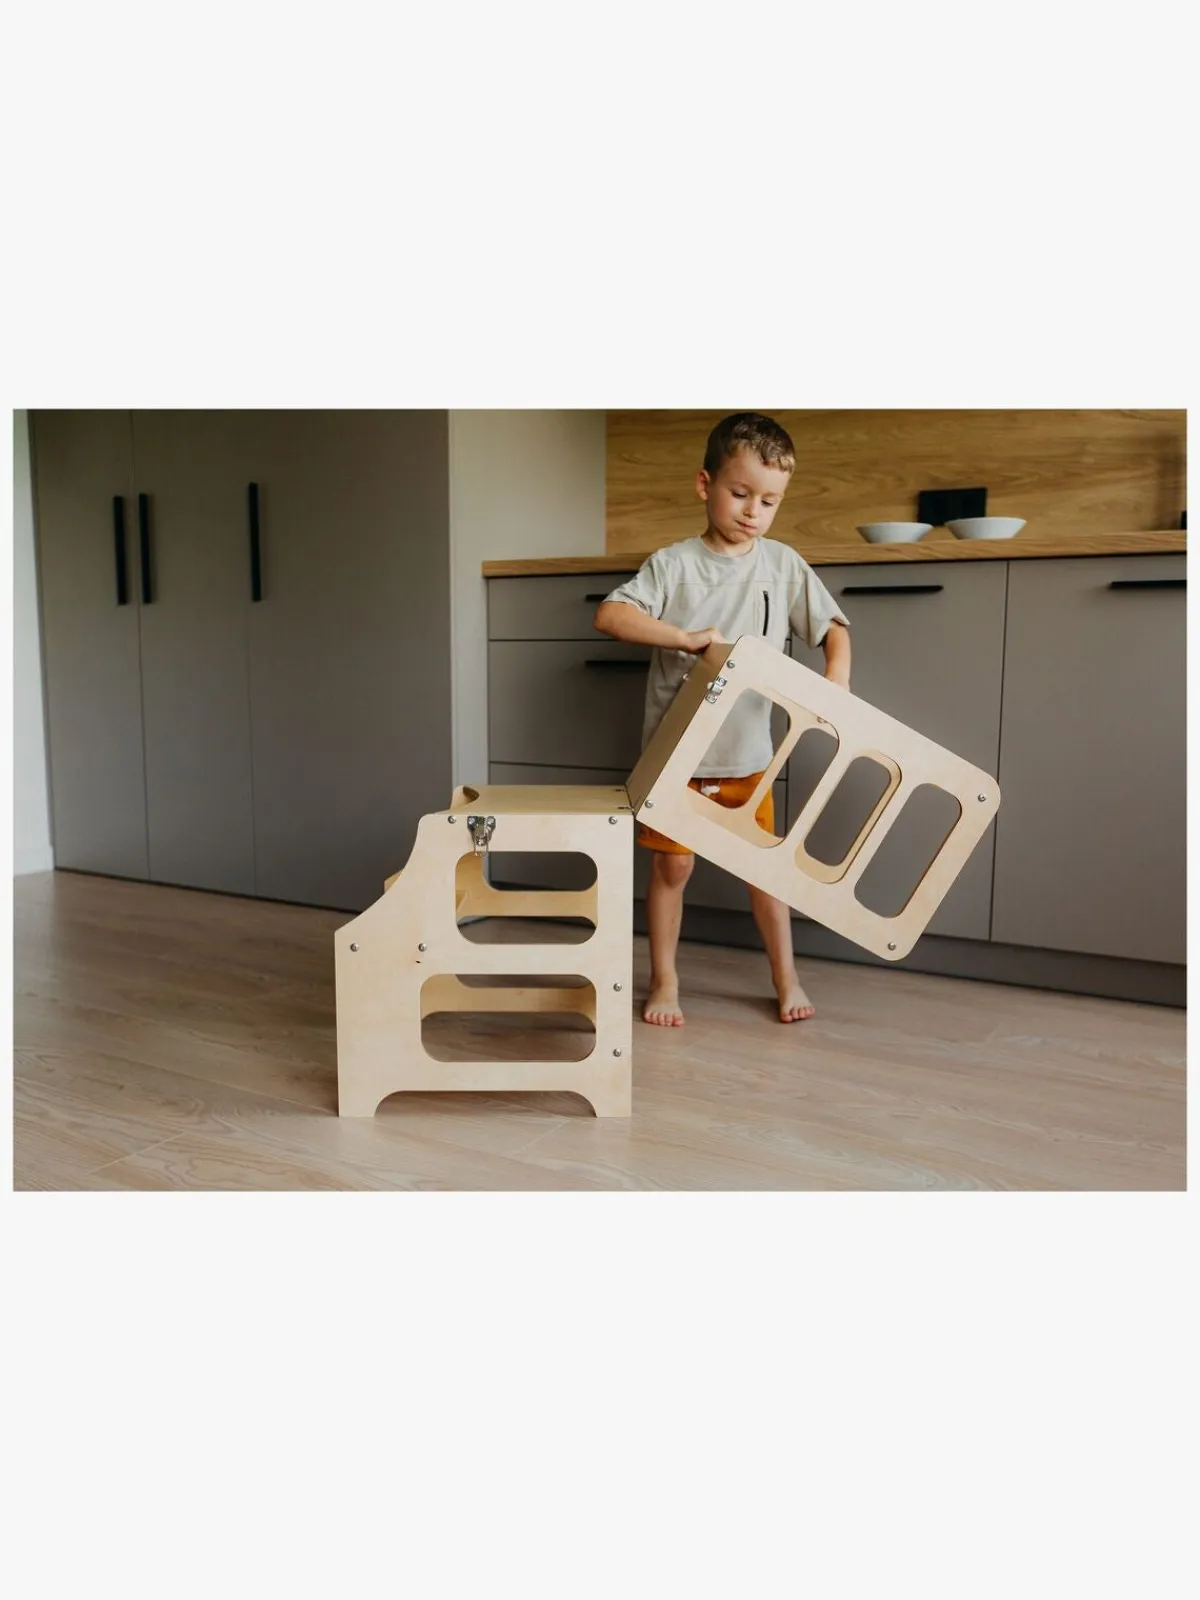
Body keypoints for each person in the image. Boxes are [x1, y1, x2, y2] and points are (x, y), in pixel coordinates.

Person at [594, 412, 851, 1027]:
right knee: (673, 866)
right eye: (740, 494)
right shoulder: (672, 565)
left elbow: (833, 629)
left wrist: (836, 679)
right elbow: (610, 616)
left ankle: (786, 977)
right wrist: (684, 638)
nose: (753, 511)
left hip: (750, 759)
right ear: (705, 484)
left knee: (765, 873)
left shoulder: (782, 565)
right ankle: (664, 980)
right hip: (676, 758)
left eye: (769, 501)